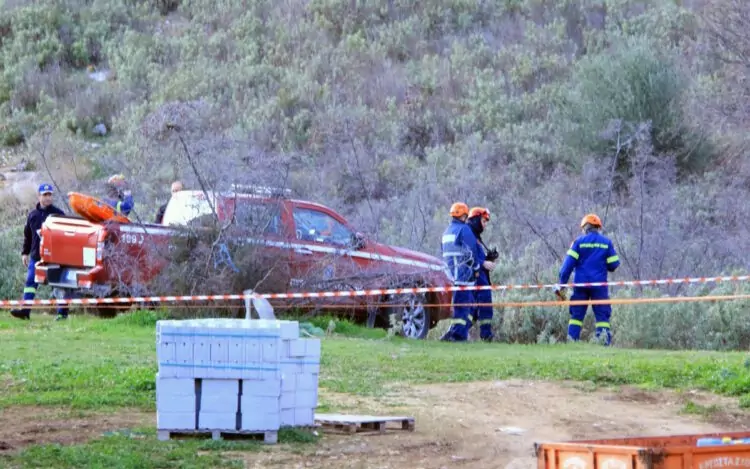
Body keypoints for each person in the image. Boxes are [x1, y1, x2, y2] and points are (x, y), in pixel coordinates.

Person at [555, 213, 620, 346]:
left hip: (581, 286)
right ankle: (603, 345)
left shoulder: (578, 242)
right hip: (599, 286)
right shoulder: (606, 243)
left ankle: (572, 344)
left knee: (576, 316)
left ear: (585, 228)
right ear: (598, 227)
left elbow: (567, 267)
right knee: (602, 317)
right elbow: (614, 265)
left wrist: (561, 285)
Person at [10, 184, 70, 321]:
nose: (48, 197)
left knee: (60, 284)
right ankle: (25, 311)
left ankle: (62, 314)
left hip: (55, 257)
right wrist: (24, 253)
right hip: (36, 257)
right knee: (30, 283)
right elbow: (28, 236)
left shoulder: (59, 214)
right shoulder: (33, 215)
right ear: (39, 196)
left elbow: (66, 236)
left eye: (50, 195)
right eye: (45, 195)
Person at [440, 202, 482, 342]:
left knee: (467, 307)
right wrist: (476, 268)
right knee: (464, 307)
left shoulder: (446, 232)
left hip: (451, 276)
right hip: (464, 276)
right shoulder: (464, 230)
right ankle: (458, 336)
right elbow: (472, 252)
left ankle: (454, 332)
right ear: (464, 216)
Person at [466, 207, 497, 341]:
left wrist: (488, 259)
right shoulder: (468, 235)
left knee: (475, 311)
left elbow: (476, 256)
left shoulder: (476, 237)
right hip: (476, 279)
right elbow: (467, 257)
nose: (485, 225)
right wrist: (483, 263)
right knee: (479, 309)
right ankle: (485, 335)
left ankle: (459, 333)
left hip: (481, 279)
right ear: (476, 220)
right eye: (483, 222)